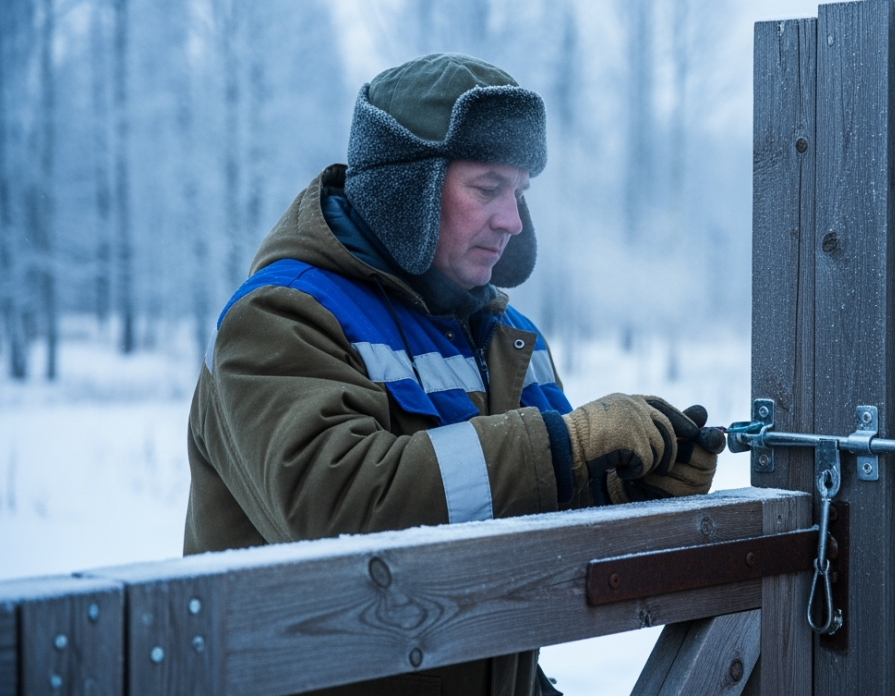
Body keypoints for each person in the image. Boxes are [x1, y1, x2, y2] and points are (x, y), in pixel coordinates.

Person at [183, 53, 724, 695]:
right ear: (404, 188)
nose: (512, 220)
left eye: (519, 192)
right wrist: (562, 447)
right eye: (488, 187)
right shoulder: (278, 319)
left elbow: (535, 509)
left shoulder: (509, 336)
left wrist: (628, 489)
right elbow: (339, 509)